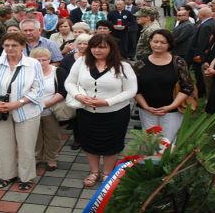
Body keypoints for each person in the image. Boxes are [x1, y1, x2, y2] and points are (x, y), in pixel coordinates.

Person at [65, 34, 137, 186]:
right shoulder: (82, 62)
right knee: (89, 142)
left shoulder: (124, 66)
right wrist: (78, 96)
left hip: (115, 114)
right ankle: (94, 171)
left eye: (102, 47)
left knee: (112, 144)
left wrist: (107, 102)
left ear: (111, 48)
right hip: (87, 112)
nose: (97, 50)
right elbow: (69, 82)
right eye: (94, 47)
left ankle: (107, 173)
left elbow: (131, 91)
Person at [0, 32, 44, 191]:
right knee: (3, 146)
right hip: (0, 112)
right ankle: (6, 175)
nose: (10, 48)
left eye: (14, 45)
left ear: (23, 46)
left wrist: (16, 104)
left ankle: (26, 177)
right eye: (7, 45)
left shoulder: (33, 64)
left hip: (27, 112)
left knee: (26, 146)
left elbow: (38, 90)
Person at [135, 30, 194, 142]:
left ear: (169, 44)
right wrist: (146, 107)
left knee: (167, 142)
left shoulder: (178, 62)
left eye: (163, 42)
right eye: (155, 41)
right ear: (150, 42)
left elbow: (187, 86)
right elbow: (135, 89)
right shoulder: (141, 63)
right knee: (150, 143)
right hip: (147, 110)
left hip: (172, 111)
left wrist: (171, 106)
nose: (158, 45)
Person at [30, 48, 67, 171]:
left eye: (44, 60)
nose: (41, 62)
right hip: (31, 110)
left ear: (49, 60)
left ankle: (51, 159)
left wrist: (46, 104)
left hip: (51, 109)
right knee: (34, 136)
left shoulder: (58, 71)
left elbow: (63, 91)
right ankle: (36, 158)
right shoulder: (27, 72)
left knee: (52, 136)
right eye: (37, 60)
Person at [186, 7, 215, 97]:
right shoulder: (209, 22)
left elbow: (202, 42)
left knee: (199, 74)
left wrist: (198, 55)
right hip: (201, 54)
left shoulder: (206, 25)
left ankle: (201, 91)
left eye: (198, 13)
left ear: (202, 15)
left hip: (199, 56)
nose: (197, 15)